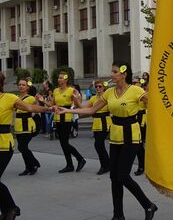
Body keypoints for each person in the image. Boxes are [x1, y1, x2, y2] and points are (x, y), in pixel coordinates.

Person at [57, 61, 158, 220]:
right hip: (115, 137)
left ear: (124, 74)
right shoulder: (109, 92)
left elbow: (153, 105)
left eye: (115, 71)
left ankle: (148, 205)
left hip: (131, 135)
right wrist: (68, 110)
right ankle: (118, 215)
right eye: (112, 71)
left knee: (123, 175)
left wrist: (149, 100)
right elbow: (91, 109)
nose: (111, 74)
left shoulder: (136, 90)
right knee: (114, 177)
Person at [0, 71, 51, 220]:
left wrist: (48, 108)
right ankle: (7, 209)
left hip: (4, 144)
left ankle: (11, 208)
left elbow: (30, 108)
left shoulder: (9, 98)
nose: (21, 87)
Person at [38, 71, 86, 173]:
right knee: (63, 143)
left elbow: (78, 104)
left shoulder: (71, 90)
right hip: (57, 117)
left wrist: (77, 98)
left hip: (67, 117)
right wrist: (43, 100)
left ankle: (80, 159)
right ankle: (70, 165)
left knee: (64, 143)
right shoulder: (55, 91)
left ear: (66, 79)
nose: (58, 79)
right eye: (58, 78)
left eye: (61, 78)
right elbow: (51, 104)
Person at [75, 80, 111, 175]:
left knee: (98, 144)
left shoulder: (107, 97)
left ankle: (105, 166)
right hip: (96, 123)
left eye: (100, 86)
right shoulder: (93, 98)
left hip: (105, 122)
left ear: (104, 87)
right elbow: (85, 109)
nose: (98, 88)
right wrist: (77, 100)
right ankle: (107, 164)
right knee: (99, 145)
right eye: (96, 87)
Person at [15, 79, 41, 176]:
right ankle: (28, 167)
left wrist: (37, 101)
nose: (21, 86)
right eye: (20, 85)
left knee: (22, 147)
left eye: (23, 85)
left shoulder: (30, 98)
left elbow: (36, 108)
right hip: (18, 125)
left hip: (27, 124)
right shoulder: (16, 98)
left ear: (27, 87)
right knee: (22, 148)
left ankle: (34, 164)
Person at [132, 77, 146, 176]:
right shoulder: (131, 93)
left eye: (135, 82)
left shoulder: (144, 94)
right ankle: (143, 164)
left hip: (143, 120)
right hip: (134, 118)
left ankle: (142, 165)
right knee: (138, 145)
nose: (133, 84)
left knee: (139, 145)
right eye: (132, 82)